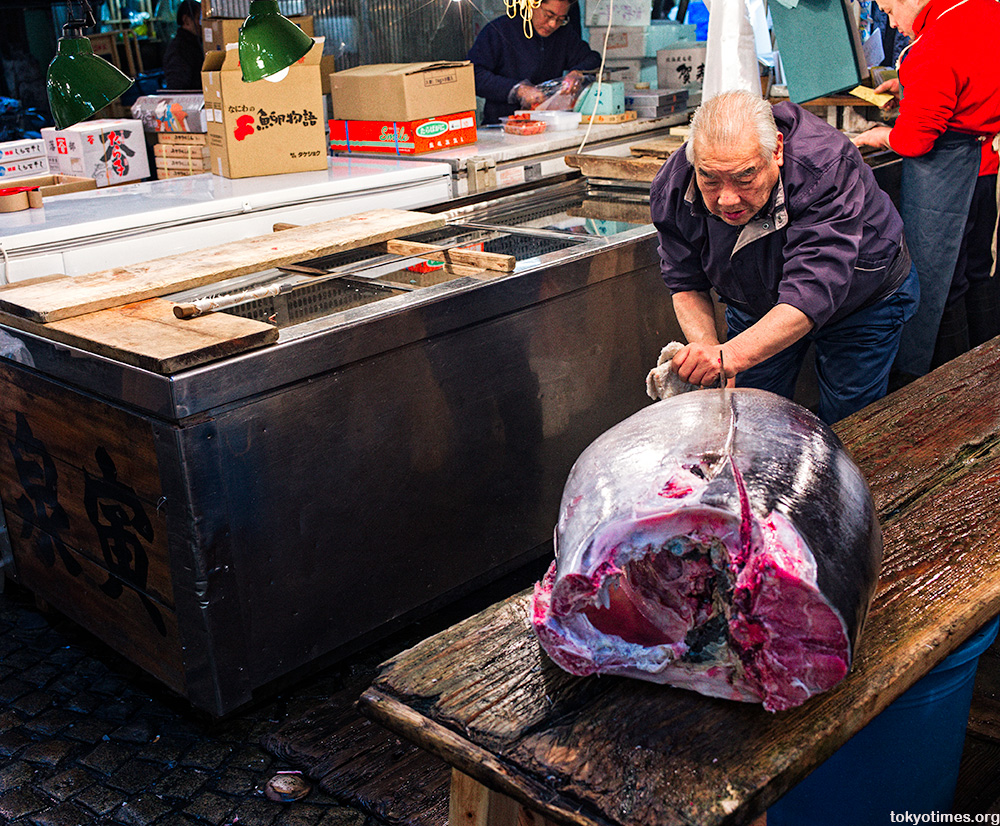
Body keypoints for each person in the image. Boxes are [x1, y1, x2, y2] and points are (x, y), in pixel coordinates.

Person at [649, 89, 919, 425]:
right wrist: (710, 352)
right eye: (710, 179)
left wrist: (730, 353)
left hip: (863, 299)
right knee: (748, 419)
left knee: (849, 421)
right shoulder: (673, 187)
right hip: (755, 303)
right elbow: (685, 281)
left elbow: (812, 292)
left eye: (745, 176)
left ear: (776, 149)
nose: (727, 199)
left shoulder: (826, 166)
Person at [852, 0, 1000, 380]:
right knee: (978, 272)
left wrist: (885, 135)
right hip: (986, 168)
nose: (891, 22)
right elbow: (972, 68)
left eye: (887, 9)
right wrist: (909, 83)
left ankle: (943, 387)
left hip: (950, 177)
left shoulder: (932, 47)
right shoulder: (983, 9)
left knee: (940, 285)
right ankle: (986, 374)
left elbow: (915, 141)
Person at [467, 0, 601, 125]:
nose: (553, 24)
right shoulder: (499, 30)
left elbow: (593, 59)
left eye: (560, 19)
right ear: (532, 5)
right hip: (501, 127)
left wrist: (578, 73)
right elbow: (472, 75)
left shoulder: (564, 34)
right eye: (548, 15)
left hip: (547, 126)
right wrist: (517, 90)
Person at [162, 0, 204, 90]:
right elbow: (176, 86)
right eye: (199, 19)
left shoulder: (196, 44)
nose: (203, 24)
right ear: (186, 20)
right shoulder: (179, 49)